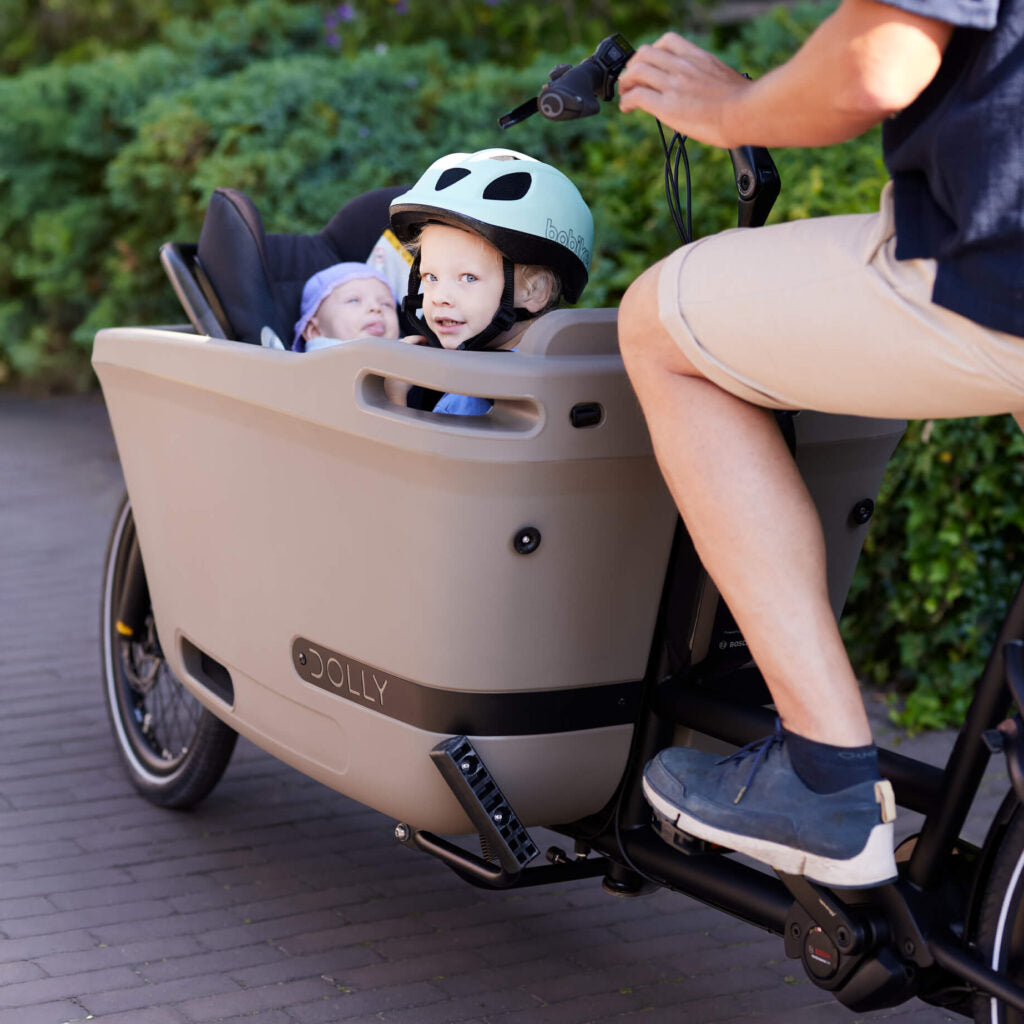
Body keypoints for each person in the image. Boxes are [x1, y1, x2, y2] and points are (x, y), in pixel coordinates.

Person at [614, 0, 1024, 887]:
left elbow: (878, 62)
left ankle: (822, 774)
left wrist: (730, 108)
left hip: (1002, 262)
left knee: (660, 326)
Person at [386, 148, 593, 415]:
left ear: (536, 290)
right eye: (431, 277)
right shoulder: (581, 363)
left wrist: (393, 397)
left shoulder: (476, 397)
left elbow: (414, 458)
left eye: (468, 278)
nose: (438, 297)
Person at [291, 262, 400, 352]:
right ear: (315, 331)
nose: (376, 308)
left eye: (386, 304)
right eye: (354, 300)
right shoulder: (312, 365)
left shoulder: (409, 351)